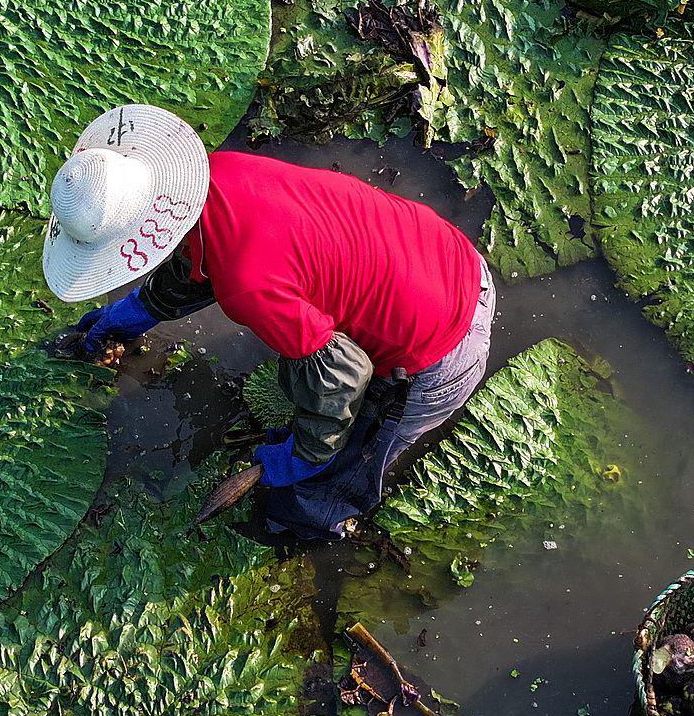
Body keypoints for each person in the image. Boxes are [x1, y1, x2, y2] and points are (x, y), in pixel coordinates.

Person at [42, 103, 494, 539]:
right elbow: (204, 253)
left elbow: (343, 375)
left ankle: (320, 524)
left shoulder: (248, 288)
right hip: (453, 260)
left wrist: (304, 457)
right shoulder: (223, 171)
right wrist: (138, 313)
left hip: (441, 350)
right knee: (308, 370)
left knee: (327, 484)